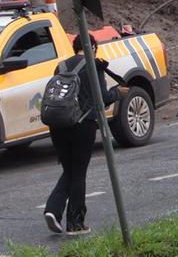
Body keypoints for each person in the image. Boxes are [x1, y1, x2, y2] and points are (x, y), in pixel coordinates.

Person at [43, 39, 128, 235]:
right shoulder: (93, 65)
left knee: (70, 171)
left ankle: (53, 210)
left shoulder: (61, 65)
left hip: (58, 125)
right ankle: (75, 223)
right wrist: (117, 93)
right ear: (93, 47)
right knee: (78, 173)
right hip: (83, 125)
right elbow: (103, 98)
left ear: (74, 47)